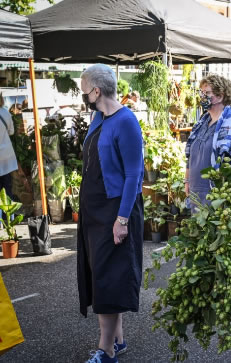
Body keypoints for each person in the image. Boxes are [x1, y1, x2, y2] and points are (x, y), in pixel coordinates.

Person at [77, 64, 144, 363]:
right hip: (94, 211)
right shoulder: (98, 117)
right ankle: (117, 340)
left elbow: (134, 175)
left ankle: (105, 350)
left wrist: (122, 219)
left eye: (83, 90)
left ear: (96, 91)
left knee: (108, 278)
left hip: (115, 210)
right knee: (103, 275)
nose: (82, 95)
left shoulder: (126, 121)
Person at [185, 74, 231, 209]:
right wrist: (187, 181)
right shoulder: (201, 123)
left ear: (220, 96)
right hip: (196, 193)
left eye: (207, 93)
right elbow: (190, 155)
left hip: (219, 197)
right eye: (201, 93)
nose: (202, 97)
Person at [0, 94, 17, 204]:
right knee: (7, 187)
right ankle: (9, 217)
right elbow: (11, 132)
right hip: (6, 155)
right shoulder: (5, 113)